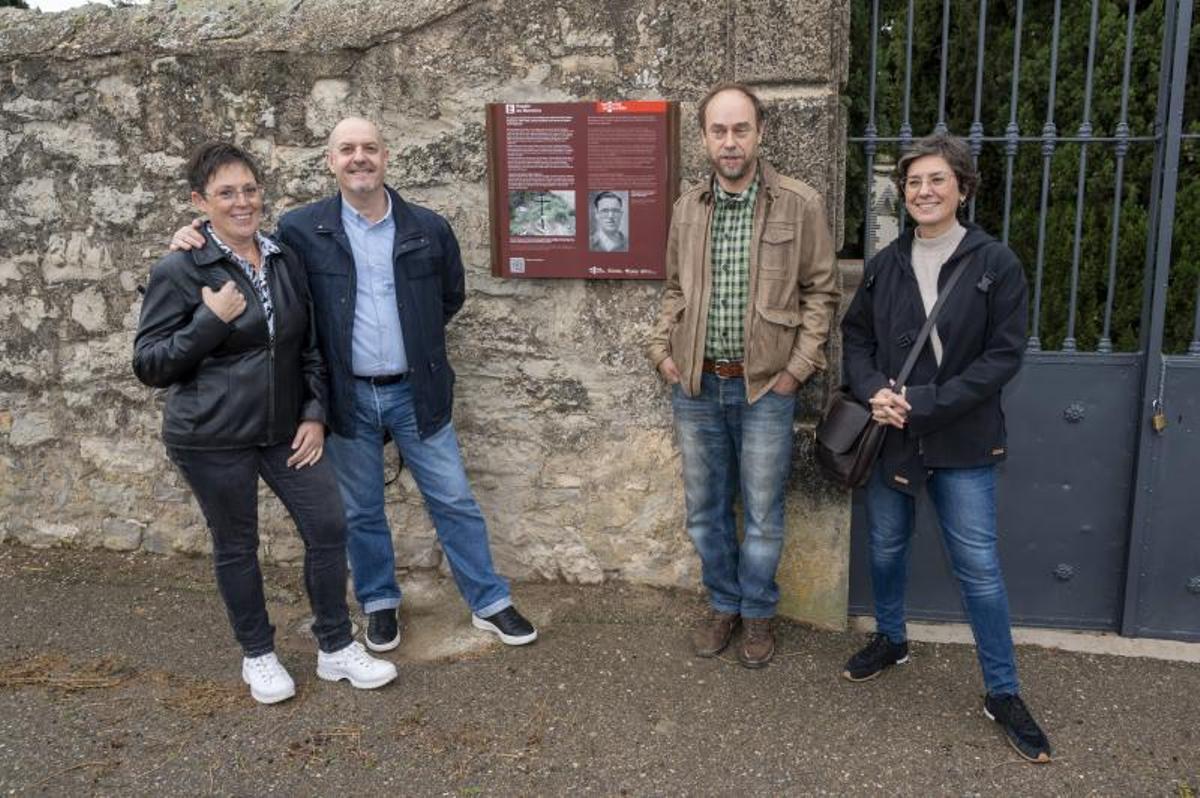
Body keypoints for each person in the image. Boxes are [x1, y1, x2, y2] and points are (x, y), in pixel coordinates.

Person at [171, 119, 536, 652]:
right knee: (361, 509)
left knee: (454, 499)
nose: (358, 157)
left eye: (369, 148)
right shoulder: (301, 229)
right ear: (331, 161)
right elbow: (243, 248)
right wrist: (194, 234)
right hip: (346, 395)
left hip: (417, 392)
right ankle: (379, 601)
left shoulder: (427, 228)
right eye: (347, 149)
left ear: (386, 156)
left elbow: (448, 299)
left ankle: (488, 601)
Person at [134, 142, 397, 704]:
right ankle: (258, 655)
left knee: (329, 527)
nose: (242, 201)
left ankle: (334, 647)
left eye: (249, 189)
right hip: (211, 437)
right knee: (237, 545)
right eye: (226, 192)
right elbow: (150, 363)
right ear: (200, 201)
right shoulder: (181, 266)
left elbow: (310, 348)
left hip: (285, 431)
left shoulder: (282, 256)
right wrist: (209, 320)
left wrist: (314, 414)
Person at [839, 133, 1051, 763]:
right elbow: (855, 340)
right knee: (884, 547)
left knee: (979, 569)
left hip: (961, 437)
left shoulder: (995, 263)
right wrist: (875, 390)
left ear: (962, 186)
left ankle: (1003, 692)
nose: (923, 192)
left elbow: (1003, 358)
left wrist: (923, 404)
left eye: (936, 180)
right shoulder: (884, 263)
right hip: (892, 437)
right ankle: (893, 639)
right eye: (912, 183)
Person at [646, 82, 839, 668]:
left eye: (740, 129)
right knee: (705, 511)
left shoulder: (798, 203)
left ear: (759, 134)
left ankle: (757, 615)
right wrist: (664, 356)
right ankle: (723, 604)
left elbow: (821, 293)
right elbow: (674, 290)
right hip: (698, 387)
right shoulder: (687, 207)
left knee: (761, 514)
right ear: (704, 137)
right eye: (718, 131)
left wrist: (796, 372)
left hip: (765, 391)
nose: (730, 143)